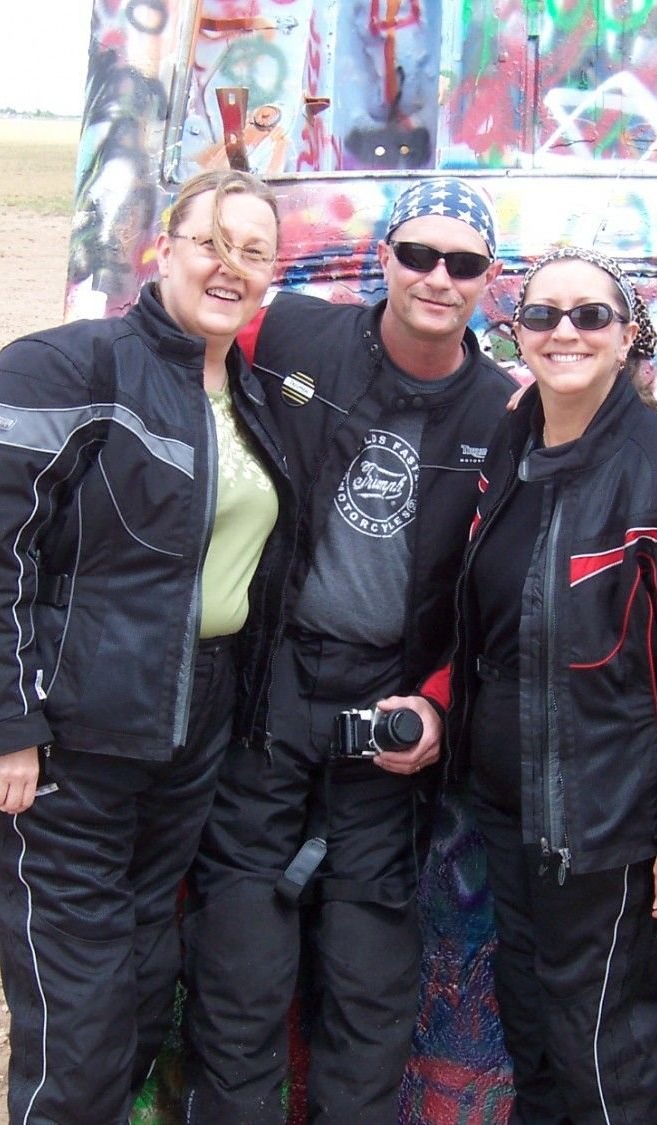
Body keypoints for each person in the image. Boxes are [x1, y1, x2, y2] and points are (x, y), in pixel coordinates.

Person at [0, 169, 288, 1124]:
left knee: (135, 988)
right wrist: (3, 722)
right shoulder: (62, 366)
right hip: (69, 735)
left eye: (253, 250)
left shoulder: (252, 398)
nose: (228, 265)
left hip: (187, 729)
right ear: (159, 250)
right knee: (74, 1021)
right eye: (209, 240)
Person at [180, 178, 519, 1124]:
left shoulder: (505, 413)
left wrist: (443, 703)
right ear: (385, 258)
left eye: (463, 263)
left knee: (371, 974)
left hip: (391, 704)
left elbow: (498, 600)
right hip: (271, 679)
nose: (437, 278)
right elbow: (182, 323)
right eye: (418, 254)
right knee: (240, 950)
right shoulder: (293, 333)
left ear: (488, 279)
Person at [423, 247, 657, 1122]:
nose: (564, 331)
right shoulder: (513, 442)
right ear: (517, 333)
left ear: (629, 338)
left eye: (590, 316)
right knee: (534, 1032)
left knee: (602, 1054)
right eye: (542, 315)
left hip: (604, 826)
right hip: (508, 810)